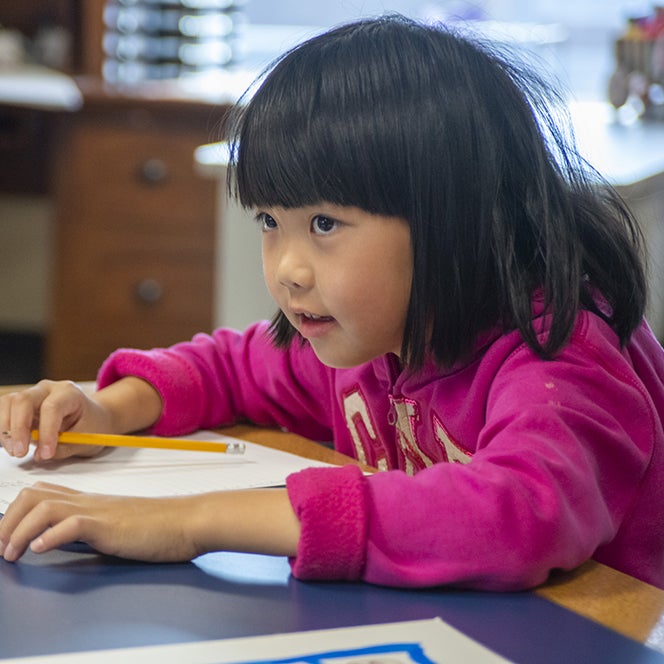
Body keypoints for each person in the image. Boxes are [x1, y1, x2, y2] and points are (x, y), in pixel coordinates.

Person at [1, 15, 663, 591]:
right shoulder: (370, 334)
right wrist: (105, 409)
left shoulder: (561, 353)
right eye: (269, 220)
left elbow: (512, 516)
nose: (287, 270)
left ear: (452, 218)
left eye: (324, 225)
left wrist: (188, 520)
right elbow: (231, 368)